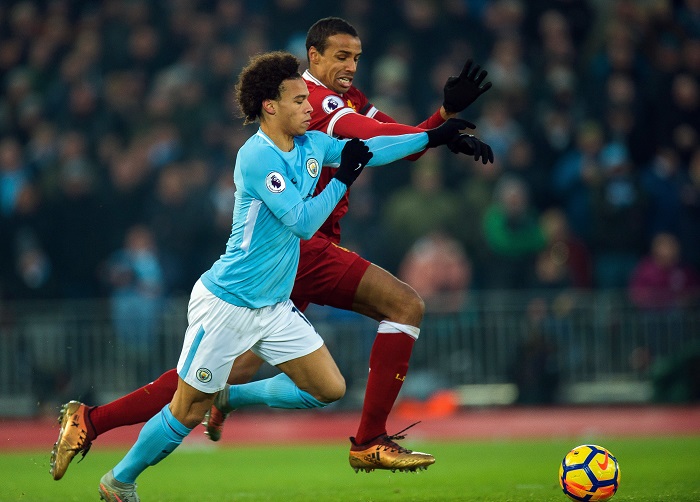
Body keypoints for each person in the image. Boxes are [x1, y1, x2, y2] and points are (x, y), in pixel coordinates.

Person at [51, 17, 493, 480]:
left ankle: (96, 420)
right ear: (313, 57)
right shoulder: (311, 110)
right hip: (292, 256)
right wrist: (426, 133)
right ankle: (367, 440)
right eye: (341, 56)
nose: (351, 66)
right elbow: (342, 175)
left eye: (357, 57)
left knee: (245, 379)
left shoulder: (330, 115)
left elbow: (388, 145)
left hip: (283, 274)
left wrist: (440, 126)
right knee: (403, 305)